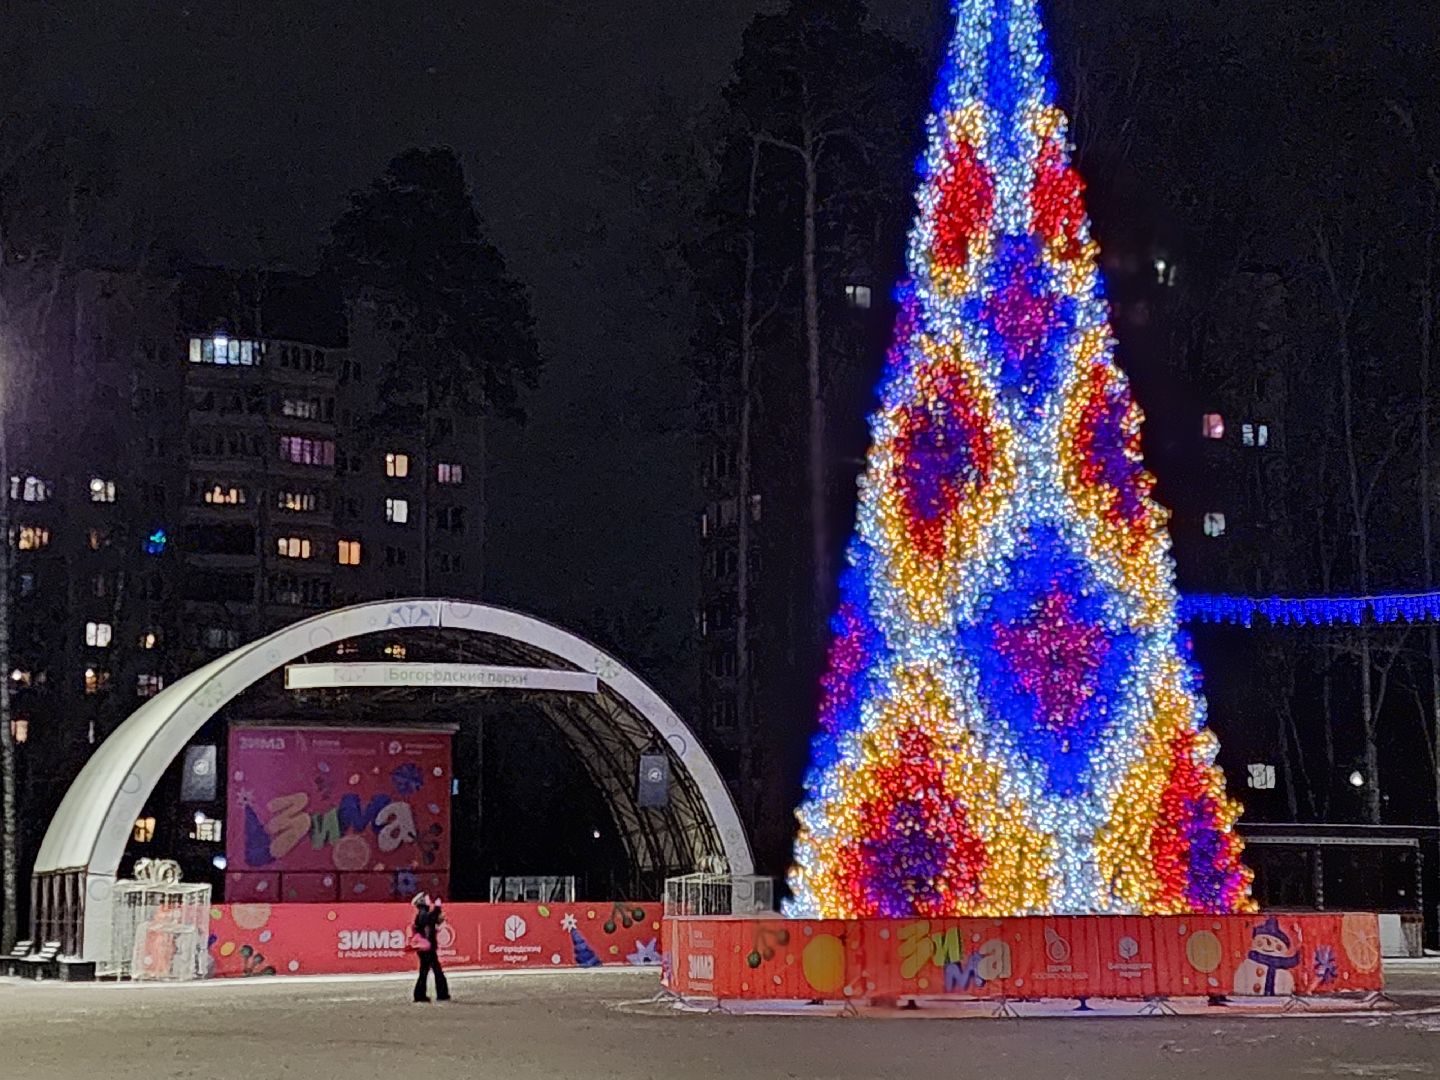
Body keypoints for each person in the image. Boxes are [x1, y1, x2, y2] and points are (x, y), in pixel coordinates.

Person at [412, 892, 450, 1003]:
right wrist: (437, 908)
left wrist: (437, 914)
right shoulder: (423, 913)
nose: (429, 900)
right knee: (436, 971)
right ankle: (441, 994)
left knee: (424, 972)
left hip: (425, 948)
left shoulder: (423, 913)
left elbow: (431, 921)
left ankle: (420, 995)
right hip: (427, 948)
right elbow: (429, 920)